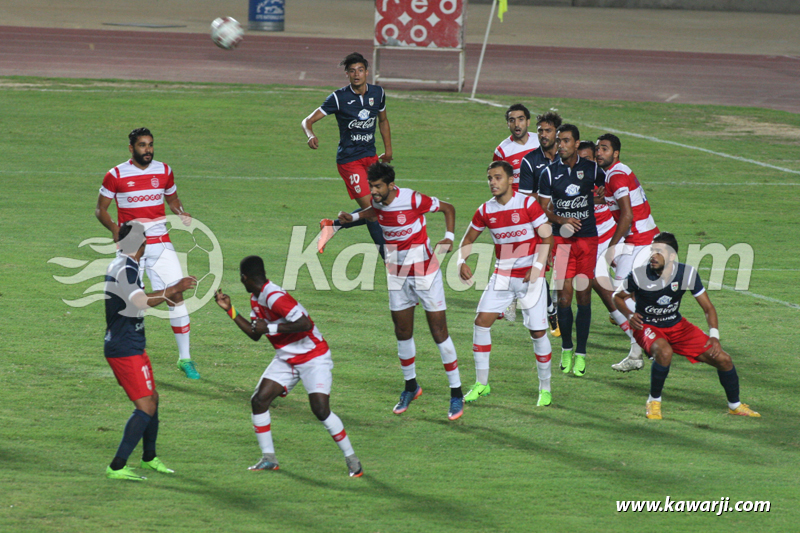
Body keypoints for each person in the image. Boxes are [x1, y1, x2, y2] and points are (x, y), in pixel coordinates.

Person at [214, 255, 363, 476]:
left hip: (313, 357)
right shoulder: (256, 299)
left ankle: (352, 460)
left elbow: (305, 323)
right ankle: (269, 459)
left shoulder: (274, 296)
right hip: (286, 358)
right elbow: (256, 333)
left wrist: (271, 328)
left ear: (245, 278)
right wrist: (230, 310)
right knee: (259, 400)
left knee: (321, 410)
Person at [337, 162, 464, 420]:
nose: (373, 191)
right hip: (396, 270)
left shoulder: (413, 199)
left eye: (377, 186)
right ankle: (411, 387)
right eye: (371, 186)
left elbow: (448, 208)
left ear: (391, 186)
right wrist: (352, 219)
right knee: (402, 331)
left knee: (439, 333)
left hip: (424, 270)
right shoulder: (379, 203)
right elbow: (373, 212)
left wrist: (449, 237)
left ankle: (456, 394)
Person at [613, 232, 760, 420]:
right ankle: (653, 401)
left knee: (724, 359)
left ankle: (735, 405)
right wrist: (629, 314)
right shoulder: (639, 275)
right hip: (647, 326)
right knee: (664, 353)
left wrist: (714, 336)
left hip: (678, 326)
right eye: (652, 251)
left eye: (659, 252)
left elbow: (708, 308)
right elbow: (617, 297)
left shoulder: (687, 273)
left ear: (672, 256)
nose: (653, 256)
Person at [95, 127, 200, 380]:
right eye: (142, 145)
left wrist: (180, 211)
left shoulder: (164, 170)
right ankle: (128, 357)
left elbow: (173, 200)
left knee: (177, 294)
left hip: (161, 242)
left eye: (150, 145)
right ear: (131, 148)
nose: (148, 150)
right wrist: (113, 228)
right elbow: (100, 209)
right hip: (132, 245)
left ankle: (185, 359)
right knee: (131, 304)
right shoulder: (116, 174)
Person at [103, 221, 197, 480]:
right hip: (124, 348)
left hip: (131, 344)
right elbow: (139, 302)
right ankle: (117, 466)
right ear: (143, 246)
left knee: (152, 399)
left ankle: (149, 458)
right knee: (145, 407)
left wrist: (169, 292)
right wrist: (174, 289)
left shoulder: (124, 264)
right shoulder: (126, 269)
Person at [458, 161, 555, 406]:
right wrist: (461, 260)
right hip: (502, 275)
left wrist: (537, 268)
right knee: (481, 322)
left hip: (529, 277)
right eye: (490, 178)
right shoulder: (484, 210)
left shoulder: (527, 204)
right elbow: (468, 238)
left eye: (498, 177)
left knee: (537, 332)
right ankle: (482, 384)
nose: (493, 182)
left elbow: (546, 236)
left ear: (511, 179)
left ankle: (545, 388)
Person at [304, 52, 391, 257]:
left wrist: (388, 150)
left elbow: (383, 121)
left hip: (371, 159)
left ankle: (332, 226)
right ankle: (389, 260)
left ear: (367, 72)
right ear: (347, 74)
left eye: (360, 70)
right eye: (352, 71)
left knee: (380, 206)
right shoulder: (339, 97)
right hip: (350, 161)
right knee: (373, 211)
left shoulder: (378, 93)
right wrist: (310, 135)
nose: (357, 74)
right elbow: (307, 120)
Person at [538, 124, 605, 377]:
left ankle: (581, 353)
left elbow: (603, 188)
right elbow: (541, 209)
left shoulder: (592, 169)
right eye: (559, 141)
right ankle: (567, 347)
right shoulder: (549, 173)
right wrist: (561, 220)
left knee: (583, 298)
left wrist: (600, 192)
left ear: (577, 144)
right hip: (563, 242)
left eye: (566, 141)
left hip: (587, 240)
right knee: (564, 298)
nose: (561, 145)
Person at [595, 133, 660, 372]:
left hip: (640, 243)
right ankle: (636, 354)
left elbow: (627, 215)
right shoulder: (616, 174)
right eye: (597, 149)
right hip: (645, 239)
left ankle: (653, 339)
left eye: (604, 148)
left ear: (616, 153)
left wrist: (612, 248)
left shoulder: (617, 175)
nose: (599, 152)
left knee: (618, 296)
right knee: (633, 297)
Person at [577, 141, 643, 365]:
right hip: (592, 238)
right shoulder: (566, 176)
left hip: (612, 233)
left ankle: (647, 337)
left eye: (591, 157)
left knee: (620, 291)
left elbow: (622, 207)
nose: (589, 162)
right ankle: (637, 339)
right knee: (604, 288)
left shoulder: (605, 175)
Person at [492, 104, 540, 323]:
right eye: (512, 120)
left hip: (537, 206)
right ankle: (508, 302)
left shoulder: (539, 142)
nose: (517, 124)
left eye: (520, 119)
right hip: (513, 209)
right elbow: (497, 177)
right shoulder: (502, 150)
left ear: (528, 122)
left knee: (538, 251)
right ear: (507, 124)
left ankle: (543, 301)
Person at [519, 111, 563, 335]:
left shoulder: (568, 157)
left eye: (548, 131)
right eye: (540, 131)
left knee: (564, 273)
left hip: (567, 224)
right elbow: (528, 199)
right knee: (538, 271)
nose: (543, 135)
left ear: (557, 132)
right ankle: (551, 311)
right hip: (541, 224)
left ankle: (558, 308)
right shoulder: (530, 161)